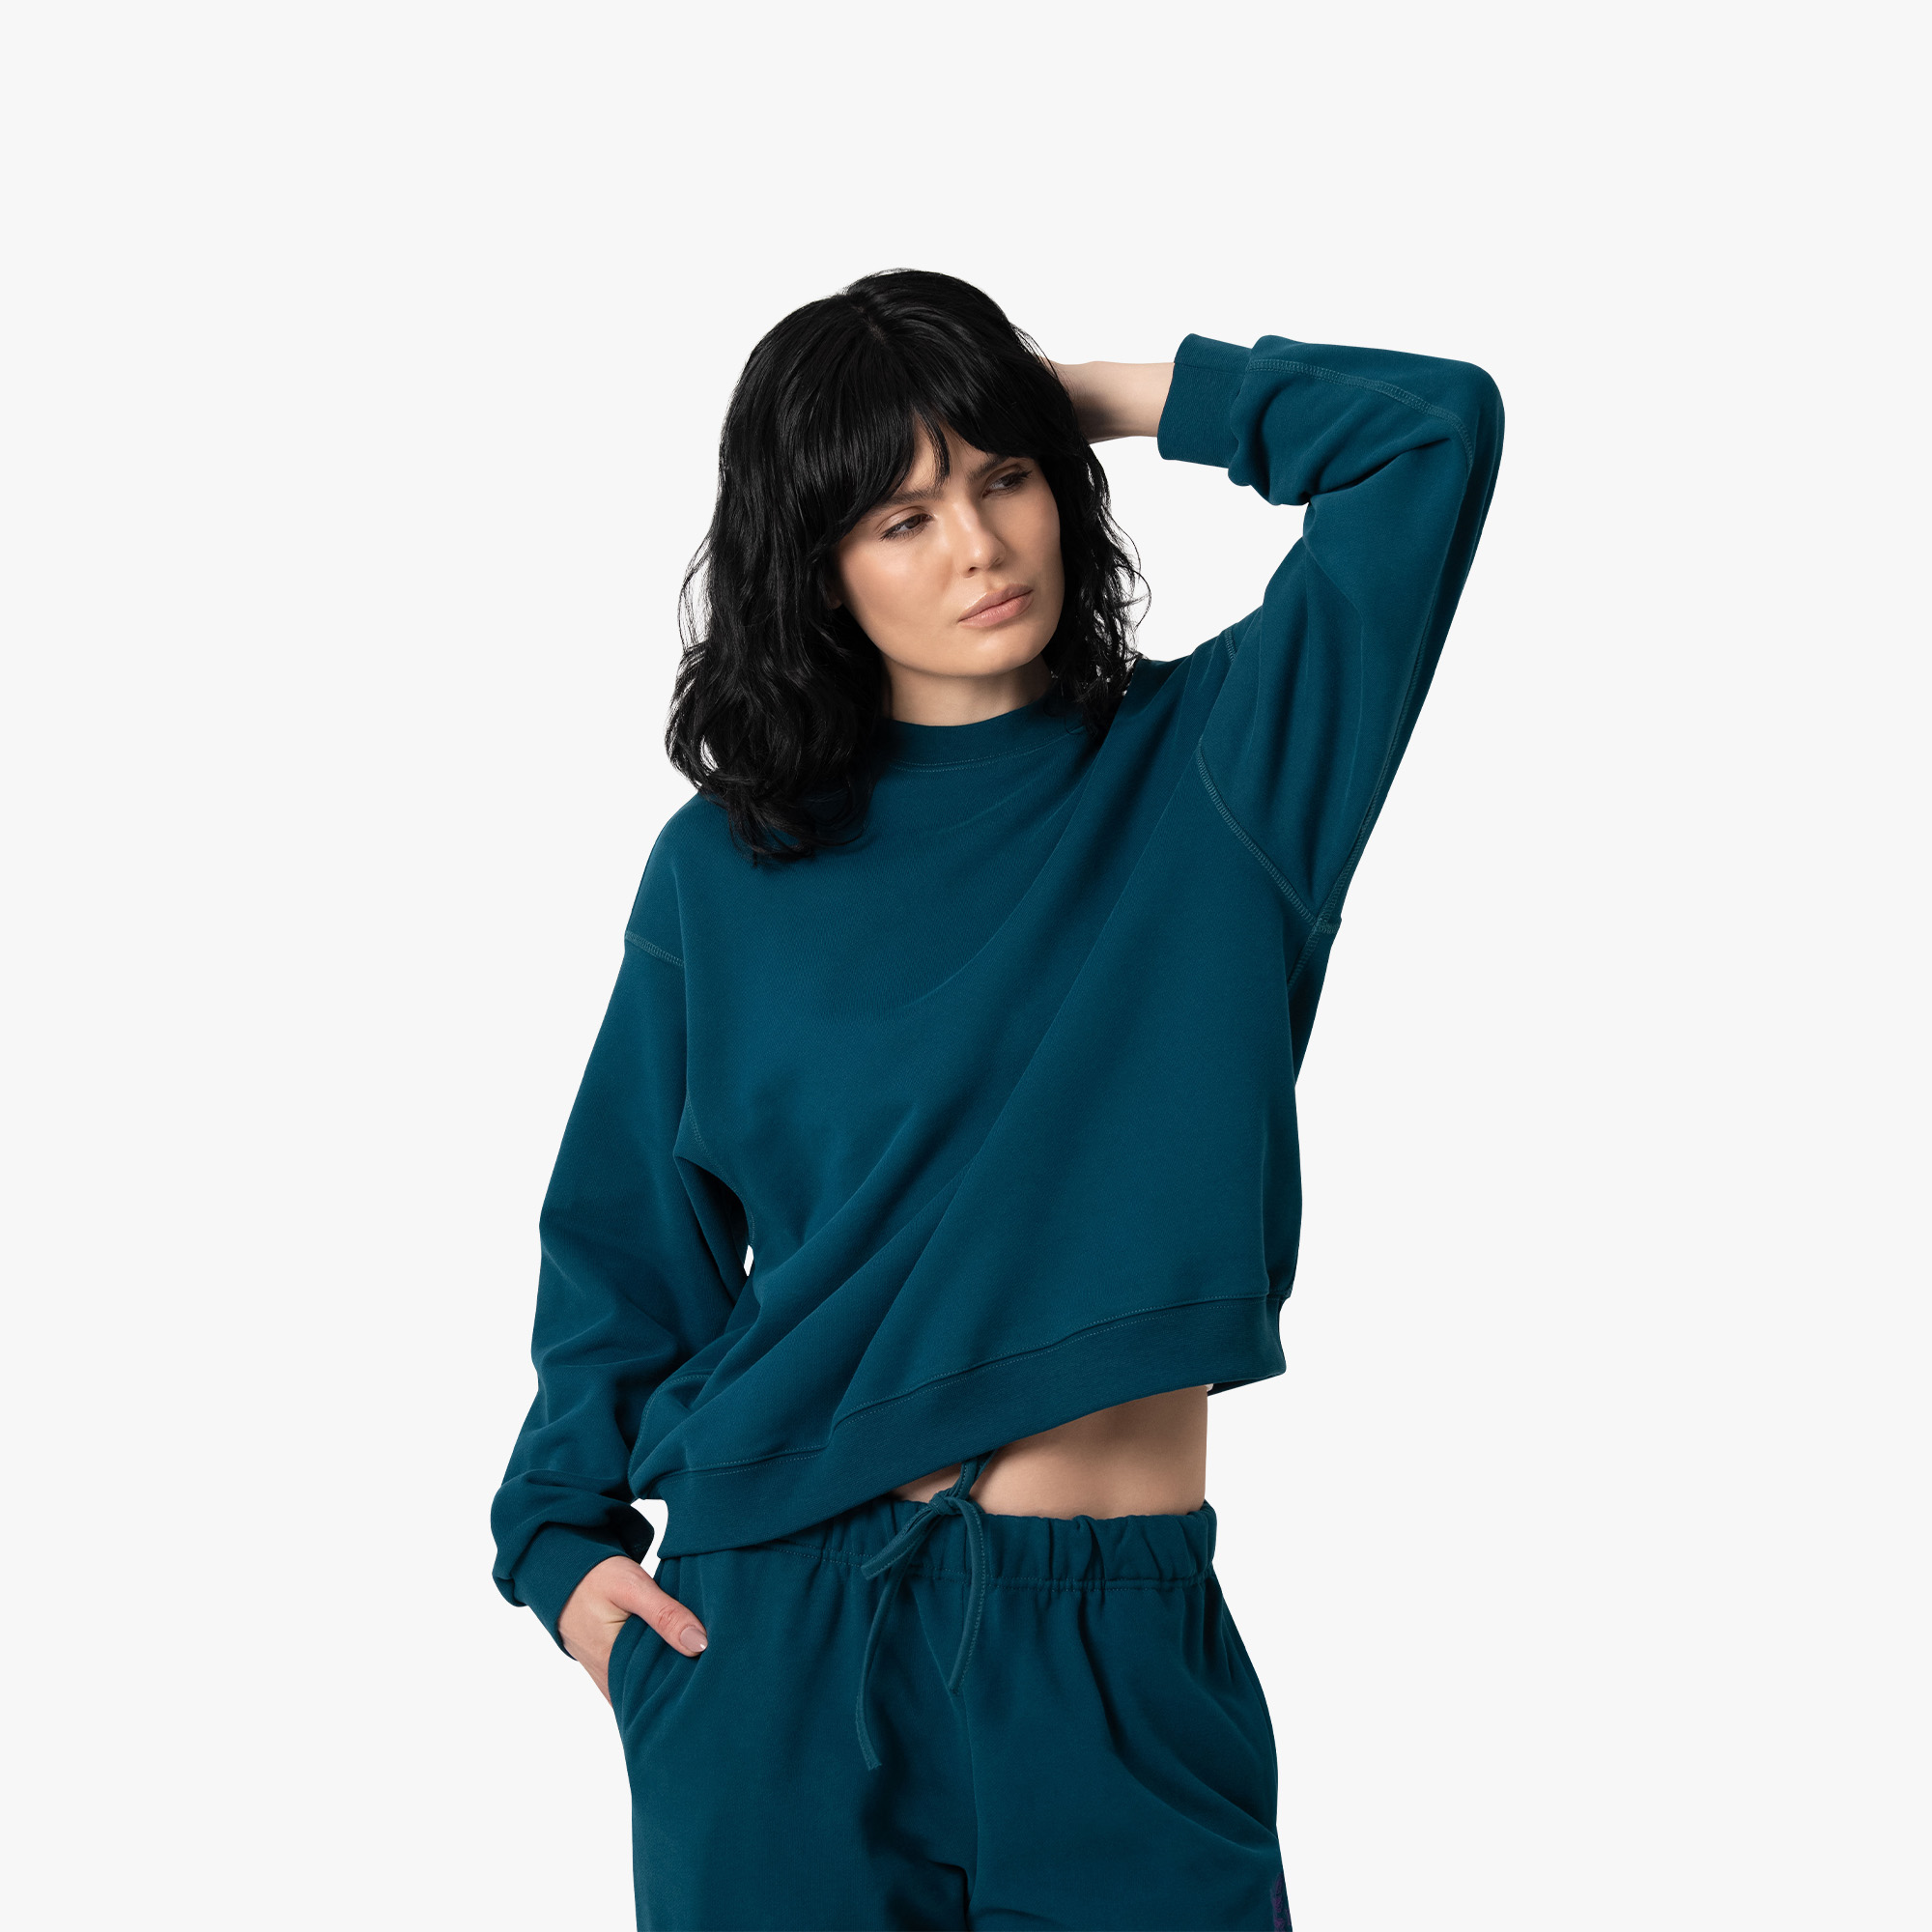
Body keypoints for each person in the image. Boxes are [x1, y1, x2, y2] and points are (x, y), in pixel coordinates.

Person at [490, 268, 1503, 1931]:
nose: (977, 546)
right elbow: (624, 1246)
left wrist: (1089, 391)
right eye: (901, 517)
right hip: (777, 1645)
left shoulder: (1225, 767)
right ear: (815, 568)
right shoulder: (723, 874)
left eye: (1004, 478)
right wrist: (561, 1549)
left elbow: (1430, 436)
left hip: (1114, 1646)